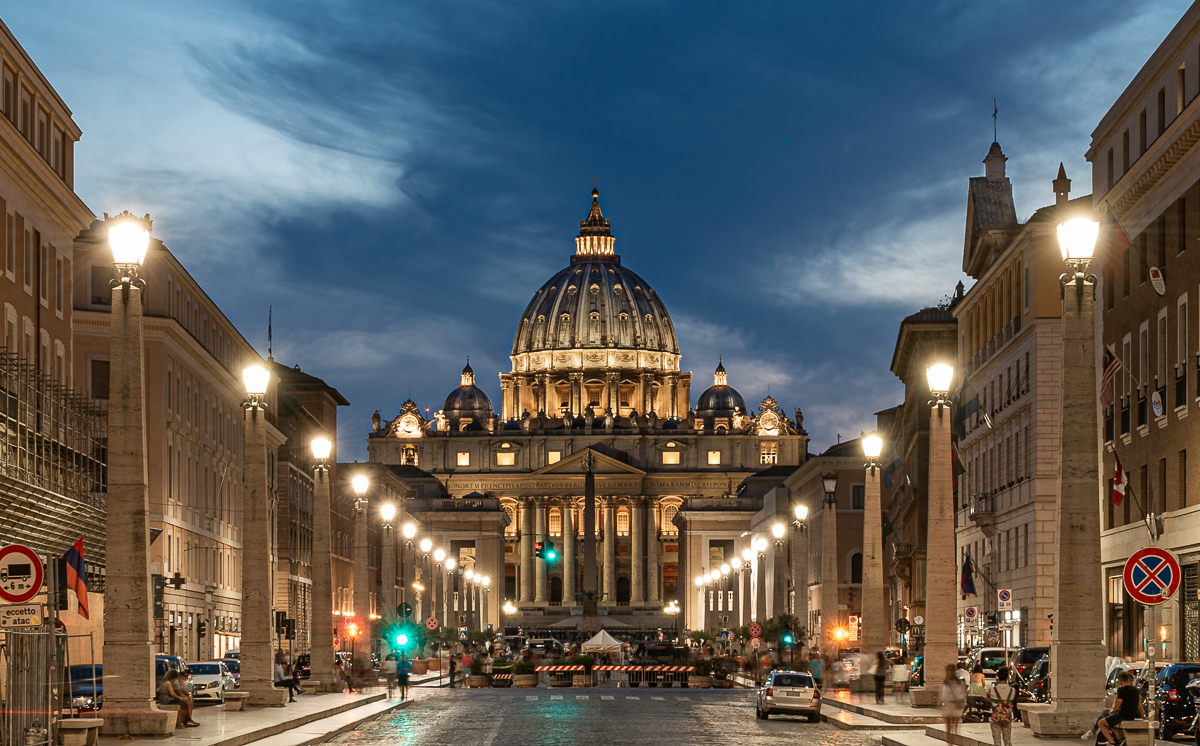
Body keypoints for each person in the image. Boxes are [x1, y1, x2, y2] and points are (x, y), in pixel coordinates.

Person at [1098, 671, 1143, 745]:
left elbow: (1118, 705)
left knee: (1101, 723)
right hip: (1131, 716)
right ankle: (1119, 738)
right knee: (1109, 721)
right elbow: (1139, 705)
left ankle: (1112, 742)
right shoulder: (1135, 690)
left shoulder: (1122, 690)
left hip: (1122, 715)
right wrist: (1143, 716)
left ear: (1120, 680)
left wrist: (1113, 712)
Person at [987, 667, 1017, 746]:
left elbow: (987, 698)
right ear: (1008, 677)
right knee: (1007, 742)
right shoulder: (1012, 690)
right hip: (1007, 717)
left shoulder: (992, 689)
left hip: (994, 717)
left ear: (997, 677)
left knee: (997, 742)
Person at [940, 663, 967, 745]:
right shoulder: (946, 683)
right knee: (949, 727)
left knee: (955, 726)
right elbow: (942, 697)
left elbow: (963, 694)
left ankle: (953, 742)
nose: (951, 672)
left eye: (952, 670)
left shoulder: (958, 683)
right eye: (949, 671)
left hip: (956, 705)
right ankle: (950, 744)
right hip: (949, 705)